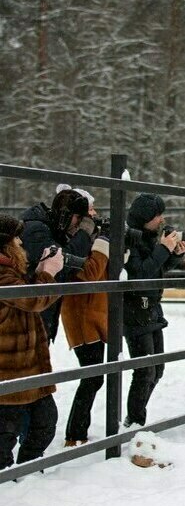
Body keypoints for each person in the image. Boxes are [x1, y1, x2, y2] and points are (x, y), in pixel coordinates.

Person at [0, 214, 64, 469]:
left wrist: (39, 271)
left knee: (45, 422)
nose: (21, 242)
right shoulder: (3, 275)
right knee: (6, 434)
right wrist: (48, 273)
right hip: (9, 370)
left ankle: (26, 472)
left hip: (28, 369)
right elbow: (34, 301)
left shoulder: (10, 271)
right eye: (16, 238)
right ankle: (8, 480)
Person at [123, 193, 185, 427]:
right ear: (145, 217)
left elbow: (156, 270)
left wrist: (175, 254)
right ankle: (134, 422)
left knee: (157, 370)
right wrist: (163, 249)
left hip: (151, 309)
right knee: (144, 372)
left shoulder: (151, 236)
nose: (162, 219)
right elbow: (140, 274)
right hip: (134, 310)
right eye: (157, 215)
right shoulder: (129, 238)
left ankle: (134, 418)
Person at [59, 189, 110, 447]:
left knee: (94, 376)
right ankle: (74, 433)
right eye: (91, 211)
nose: (96, 215)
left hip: (93, 312)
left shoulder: (88, 237)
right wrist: (104, 244)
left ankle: (77, 432)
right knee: (92, 377)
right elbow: (88, 273)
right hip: (82, 315)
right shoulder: (75, 241)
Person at [19, 185, 97, 342]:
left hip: (38, 320)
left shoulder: (55, 230)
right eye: (78, 218)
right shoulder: (36, 230)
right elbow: (64, 260)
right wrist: (84, 234)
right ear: (65, 214)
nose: (79, 224)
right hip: (26, 323)